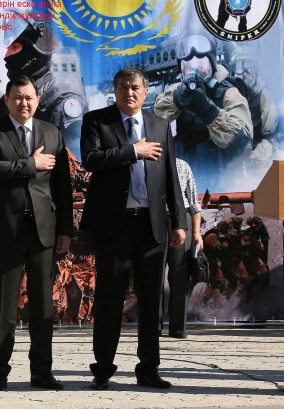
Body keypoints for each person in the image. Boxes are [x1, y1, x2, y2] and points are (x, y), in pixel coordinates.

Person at [80, 66, 187, 390]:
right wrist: (133, 151)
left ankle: (149, 368)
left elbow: (171, 176)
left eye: (135, 87)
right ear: (114, 90)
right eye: (123, 87)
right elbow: (91, 159)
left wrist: (179, 222)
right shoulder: (97, 121)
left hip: (152, 226)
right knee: (110, 299)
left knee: (152, 301)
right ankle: (102, 369)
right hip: (115, 226)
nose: (129, 92)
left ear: (146, 91)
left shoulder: (160, 124)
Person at [0, 75, 73, 392]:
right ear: (7, 101)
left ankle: (42, 372)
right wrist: (31, 163)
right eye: (17, 97)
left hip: (43, 231)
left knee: (43, 306)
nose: (23, 103)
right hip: (6, 229)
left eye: (29, 97)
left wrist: (66, 229)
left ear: (38, 100)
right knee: (4, 306)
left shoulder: (52, 132)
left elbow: (62, 186)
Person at [153, 32, 253, 190]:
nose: (195, 70)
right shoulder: (178, 89)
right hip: (185, 178)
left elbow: (243, 145)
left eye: (201, 63)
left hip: (222, 180)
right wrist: (177, 99)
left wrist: (208, 110)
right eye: (188, 65)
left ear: (212, 64)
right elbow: (156, 116)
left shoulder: (229, 93)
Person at [3, 9, 87, 154]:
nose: (6, 55)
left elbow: (74, 158)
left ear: (34, 51)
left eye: (15, 47)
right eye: (8, 48)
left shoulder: (62, 103)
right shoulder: (8, 100)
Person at [160, 158, 203, 339]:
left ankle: (178, 328)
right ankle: (153, 327)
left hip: (181, 219)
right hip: (153, 220)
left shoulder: (182, 165)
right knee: (154, 277)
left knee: (180, 277)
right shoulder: (144, 163)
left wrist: (197, 233)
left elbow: (194, 203)